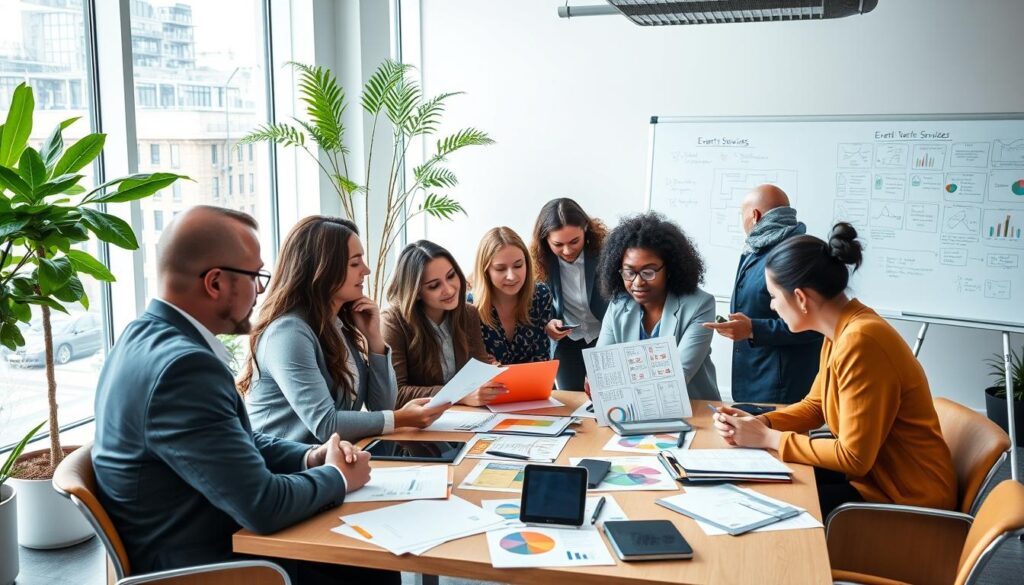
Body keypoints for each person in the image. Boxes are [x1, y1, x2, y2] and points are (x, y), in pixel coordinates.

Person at [92, 206, 398, 584]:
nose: (261, 290)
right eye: (255, 276)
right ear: (215, 283)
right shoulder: (185, 369)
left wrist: (310, 456)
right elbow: (262, 506)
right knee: (373, 561)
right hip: (210, 566)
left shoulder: (141, 337)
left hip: (204, 533)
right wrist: (336, 477)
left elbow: (239, 438)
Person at [711, 222, 956, 519]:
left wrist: (767, 437)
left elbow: (854, 457)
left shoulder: (861, 341)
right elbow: (815, 407)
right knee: (766, 489)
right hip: (876, 479)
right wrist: (760, 423)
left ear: (801, 298)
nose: (773, 307)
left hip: (908, 500)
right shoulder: (841, 331)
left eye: (773, 296)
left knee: (771, 508)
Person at [239, 216, 449, 443]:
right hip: (288, 463)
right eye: (355, 263)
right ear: (323, 268)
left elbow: (382, 405)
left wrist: (374, 339)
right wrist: (401, 418)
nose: (366, 270)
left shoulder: (337, 325)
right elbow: (326, 425)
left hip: (334, 458)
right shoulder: (288, 333)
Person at [703, 184, 822, 404]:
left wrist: (752, 329)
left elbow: (814, 326)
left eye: (742, 215)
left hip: (781, 390)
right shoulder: (756, 248)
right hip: (754, 381)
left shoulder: (795, 255)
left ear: (754, 215)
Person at [595, 212, 720, 400]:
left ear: (669, 269)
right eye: (629, 272)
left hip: (693, 406)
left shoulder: (700, 305)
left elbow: (678, 375)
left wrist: (617, 383)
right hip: (631, 404)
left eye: (648, 272)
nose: (638, 282)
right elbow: (603, 368)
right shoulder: (618, 304)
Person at [382, 240, 507, 407]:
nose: (449, 290)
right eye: (434, 286)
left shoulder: (468, 313)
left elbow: (481, 375)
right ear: (416, 292)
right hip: (422, 420)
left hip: (466, 415)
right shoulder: (392, 321)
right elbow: (395, 395)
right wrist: (459, 394)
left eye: (451, 276)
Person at [530, 197, 609, 390]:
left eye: (574, 241)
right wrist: (548, 324)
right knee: (571, 400)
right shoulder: (538, 263)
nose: (567, 250)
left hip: (605, 337)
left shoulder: (606, 252)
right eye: (558, 244)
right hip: (567, 343)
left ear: (585, 229)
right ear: (545, 240)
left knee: (606, 397)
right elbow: (536, 307)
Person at [473, 226, 555, 364]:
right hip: (492, 379)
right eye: (500, 269)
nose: (511, 276)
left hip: (535, 377)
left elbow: (542, 357)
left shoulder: (541, 295)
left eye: (518, 266)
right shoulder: (471, 307)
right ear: (485, 271)